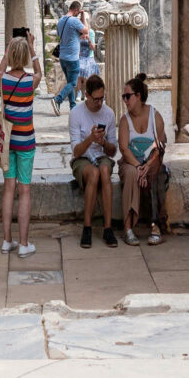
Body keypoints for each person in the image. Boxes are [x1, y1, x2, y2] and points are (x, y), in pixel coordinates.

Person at [0, 30, 40, 255]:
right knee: (24, 191)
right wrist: (31, 47)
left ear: (12, 54)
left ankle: (6, 240)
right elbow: (39, 71)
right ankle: (23, 244)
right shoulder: (31, 81)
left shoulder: (3, 79)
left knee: (8, 189)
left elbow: (0, 69)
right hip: (26, 142)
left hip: (8, 143)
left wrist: (8, 49)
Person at [67, 71, 120, 248]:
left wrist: (103, 142)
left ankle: (108, 228)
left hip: (101, 156)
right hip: (82, 158)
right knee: (94, 173)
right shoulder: (76, 113)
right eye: (96, 99)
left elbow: (113, 151)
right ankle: (87, 227)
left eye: (102, 98)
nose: (99, 103)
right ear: (87, 95)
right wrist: (90, 138)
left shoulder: (109, 113)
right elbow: (76, 152)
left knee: (104, 170)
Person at [118, 71, 169, 245]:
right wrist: (138, 166)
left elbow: (159, 147)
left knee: (156, 172)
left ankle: (156, 225)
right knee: (131, 173)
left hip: (151, 161)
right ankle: (128, 228)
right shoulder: (124, 120)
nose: (125, 100)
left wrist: (148, 165)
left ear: (138, 96)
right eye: (123, 97)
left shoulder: (155, 117)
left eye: (128, 96)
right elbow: (124, 149)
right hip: (131, 162)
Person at [50, 0, 88, 109]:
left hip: (63, 57)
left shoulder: (61, 20)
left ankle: (73, 106)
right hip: (72, 58)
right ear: (76, 10)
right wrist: (83, 17)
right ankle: (57, 99)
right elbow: (86, 30)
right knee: (73, 83)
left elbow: (60, 34)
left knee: (69, 82)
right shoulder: (74, 21)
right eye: (79, 12)